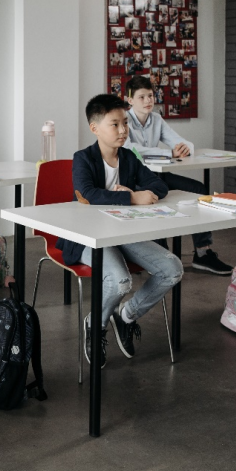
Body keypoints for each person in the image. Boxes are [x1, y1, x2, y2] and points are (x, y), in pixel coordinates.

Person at [57, 94, 184, 367]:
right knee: (120, 280)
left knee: (172, 268)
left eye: (125, 123)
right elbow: (87, 194)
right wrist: (132, 198)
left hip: (123, 233)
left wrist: (140, 191)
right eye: (115, 124)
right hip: (87, 237)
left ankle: (125, 316)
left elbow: (158, 185)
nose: (123, 130)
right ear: (95, 129)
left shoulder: (128, 157)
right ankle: (96, 324)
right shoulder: (83, 158)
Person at [123, 75, 233, 276]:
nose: (148, 101)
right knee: (156, 197)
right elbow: (132, 150)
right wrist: (168, 153)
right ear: (129, 100)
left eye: (150, 95)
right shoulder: (124, 120)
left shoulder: (156, 118)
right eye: (141, 97)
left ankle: (203, 253)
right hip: (135, 179)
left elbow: (181, 142)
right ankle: (158, 256)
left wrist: (183, 148)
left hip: (156, 174)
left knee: (198, 189)